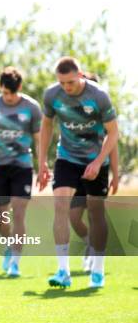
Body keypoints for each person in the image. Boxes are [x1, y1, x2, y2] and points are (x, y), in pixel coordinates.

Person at [37, 57, 118, 289]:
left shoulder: (99, 96)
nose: (66, 87)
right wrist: (42, 163)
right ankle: (63, 270)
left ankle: (98, 269)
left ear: (80, 75)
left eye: (70, 82)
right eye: (62, 83)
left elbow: (113, 133)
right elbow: (46, 126)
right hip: (67, 157)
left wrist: (99, 162)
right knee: (60, 205)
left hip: (95, 159)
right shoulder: (52, 95)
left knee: (96, 212)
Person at [0, 67, 42, 277]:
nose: (9, 98)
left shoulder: (31, 107)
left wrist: (43, 165)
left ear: (20, 89)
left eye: (13, 93)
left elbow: (39, 138)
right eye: (6, 93)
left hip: (22, 166)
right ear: (0, 88)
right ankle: (10, 244)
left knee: (18, 212)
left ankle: (15, 261)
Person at [68, 72, 120, 272]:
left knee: (94, 216)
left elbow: (113, 146)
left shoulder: (105, 115)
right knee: (74, 217)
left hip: (99, 171)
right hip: (79, 172)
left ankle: (96, 255)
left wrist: (115, 175)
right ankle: (91, 243)